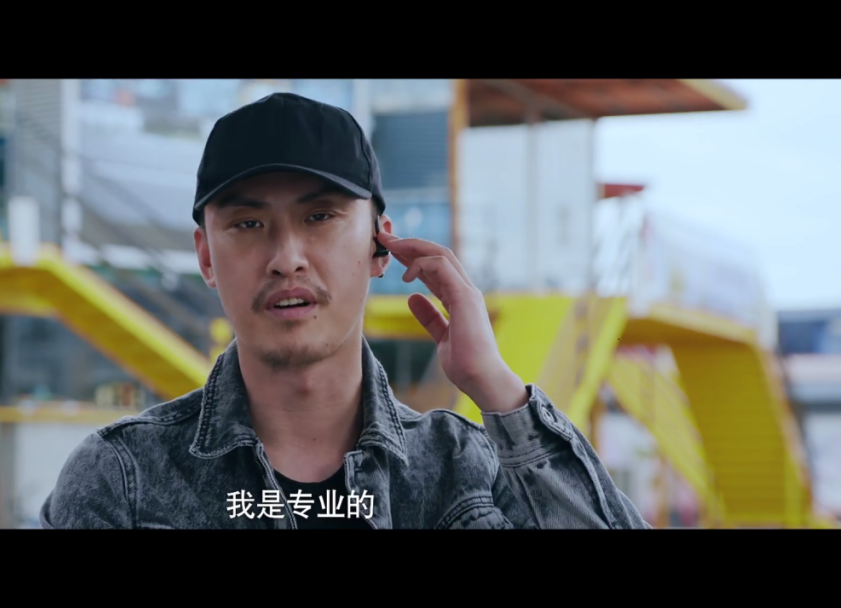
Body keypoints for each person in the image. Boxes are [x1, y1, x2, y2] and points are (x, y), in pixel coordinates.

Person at [40, 92, 649, 529]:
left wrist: (497, 388)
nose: (286, 258)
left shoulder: (466, 467)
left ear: (381, 245)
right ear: (206, 255)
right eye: (248, 224)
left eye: (320, 216)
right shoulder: (124, 477)